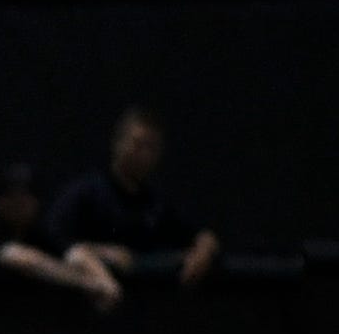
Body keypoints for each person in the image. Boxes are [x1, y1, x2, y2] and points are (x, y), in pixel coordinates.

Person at [46, 106, 221, 290]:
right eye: (138, 144)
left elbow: (200, 234)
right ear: (118, 143)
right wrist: (102, 252)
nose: (144, 154)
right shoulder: (86, 193)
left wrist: (203, 252)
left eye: (152, 147)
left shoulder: (155, 203)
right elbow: (55, 238)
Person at [0, 160, 123, 309]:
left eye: (26, 196)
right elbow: (16, 256)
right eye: (11, 196)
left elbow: (75, 251)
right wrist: (89, 283)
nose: (19, 203)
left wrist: (106, 282)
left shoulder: (43, 230)